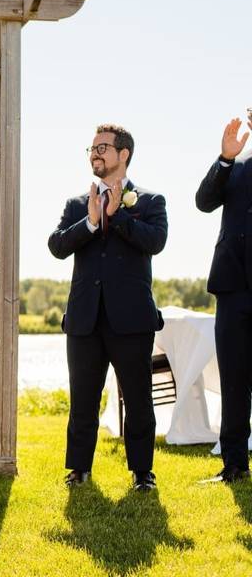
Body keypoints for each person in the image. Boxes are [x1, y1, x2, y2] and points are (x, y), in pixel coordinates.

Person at [48, 124, 167, 491]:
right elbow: (57, 245)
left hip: (131, 320)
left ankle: (142, 473)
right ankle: (79, 469)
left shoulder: (149, 201)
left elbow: (156, 241)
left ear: (123, 154)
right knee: (82, 398)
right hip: (84, 319)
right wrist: (92, 221)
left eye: (103, 147)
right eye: (92, 148)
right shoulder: (75, 204)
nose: (95, 153)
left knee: (138, 400)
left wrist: (119, 217)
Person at [195, 111, 252, 483]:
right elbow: (203, 201)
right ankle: (233, 464)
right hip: (232, 286)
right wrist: (225, 158)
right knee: (233, 378)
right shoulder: (235, 166)